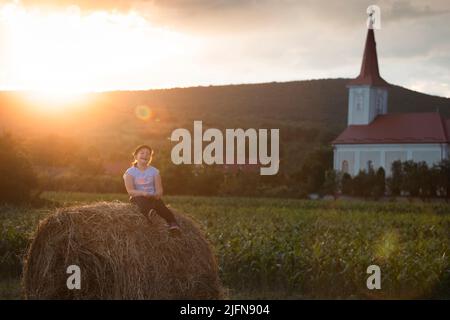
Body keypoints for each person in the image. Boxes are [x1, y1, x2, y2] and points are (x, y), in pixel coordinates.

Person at [123, 144, 181, 234]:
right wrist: (143, 193)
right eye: (142, 153)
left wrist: (157, 195)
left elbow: (159, 190)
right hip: (138, 197)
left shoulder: (154, 172)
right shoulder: (130, 172)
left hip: (152, 197)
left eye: (148, 154)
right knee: (142, 203)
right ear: (135, 156)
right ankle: (150, 214)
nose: (145, 155)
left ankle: (173, 224)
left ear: (150, 157)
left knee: (162, 207)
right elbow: (130, 191)